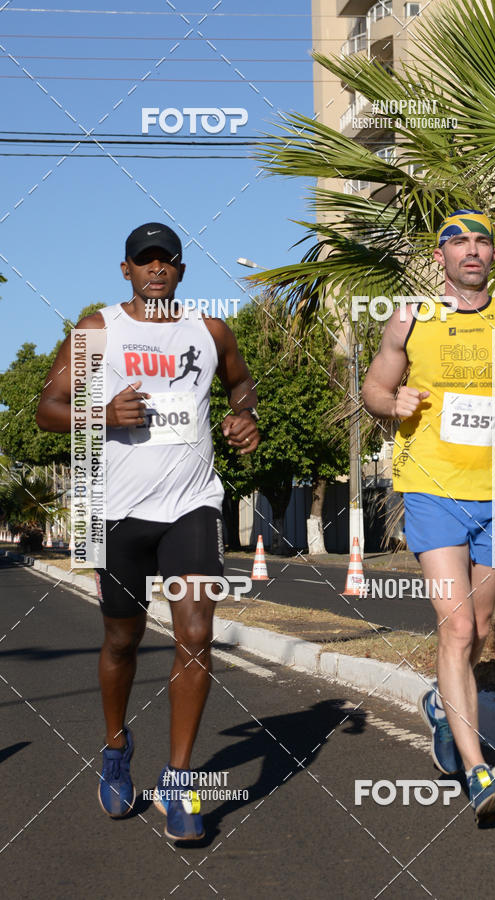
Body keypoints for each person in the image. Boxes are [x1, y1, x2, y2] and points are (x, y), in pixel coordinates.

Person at [36, 222, 260, 841]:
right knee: (121, 642)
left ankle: (180, 782)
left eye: (167, 260)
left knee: (195, 633)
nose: (156, 269)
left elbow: (242, 386)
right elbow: (47, 409)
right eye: (145, 260)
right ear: (127, 270)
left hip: (193, 505)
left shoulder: (210, 331)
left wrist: (246, 418)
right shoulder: (98, 330)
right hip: (117, 510)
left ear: (182, 271)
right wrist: (101, 412)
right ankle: (115, 745)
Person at [362, 209, 495, 822]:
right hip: (431, 489)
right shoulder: (411, 318)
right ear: (441, 258)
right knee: (455, 630)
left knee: (479, 630)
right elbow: (375, 389)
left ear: (492, 257)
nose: (472, 251)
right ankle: (477, 771)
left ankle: (440, 703)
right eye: (459, 242)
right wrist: (391, 399)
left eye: (482, 241)